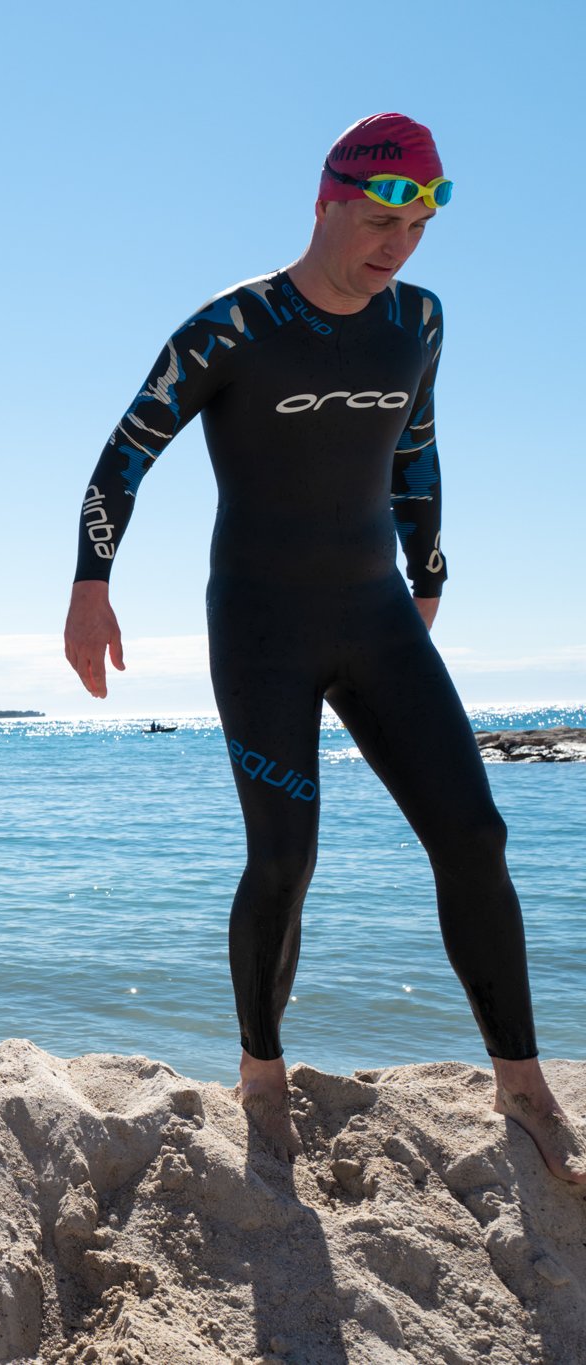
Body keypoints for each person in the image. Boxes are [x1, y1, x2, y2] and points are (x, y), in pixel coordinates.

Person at [62, 112, 584, 1179]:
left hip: (376, 616)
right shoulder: (232, 326)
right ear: (325, 200)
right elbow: (124, 453)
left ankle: (520, 1081)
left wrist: (426, 577)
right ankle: (260, 1071)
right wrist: (89, 587)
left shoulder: (419, 321)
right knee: (282, 859)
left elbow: (418, 451)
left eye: (416, 224)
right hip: (259, 630)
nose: (394, 244)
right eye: (377, 218)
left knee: (474, 834)